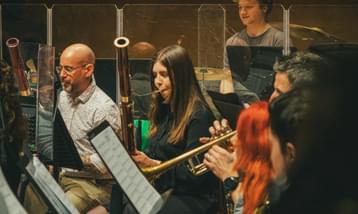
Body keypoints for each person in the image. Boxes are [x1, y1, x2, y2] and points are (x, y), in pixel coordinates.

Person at [131, 45, 219, 213]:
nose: (157, 81)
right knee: (121, 194)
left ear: (180, 77)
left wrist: (154, 165)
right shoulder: (165, 111)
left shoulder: (199, 116)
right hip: (168, 188)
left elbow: (195, 175)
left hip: (193, 196)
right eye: (155, 75)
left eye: (164, 75)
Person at [57, 43, 121, 213]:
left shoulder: (104, 108)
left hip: (93, 185)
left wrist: (74, 158)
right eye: (60, 68)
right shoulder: (62, 97)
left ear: (88, 70)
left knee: (61, 208)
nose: (62, 75)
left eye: (68, 69)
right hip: (63, 176)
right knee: (28, 195)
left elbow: (109, 162)